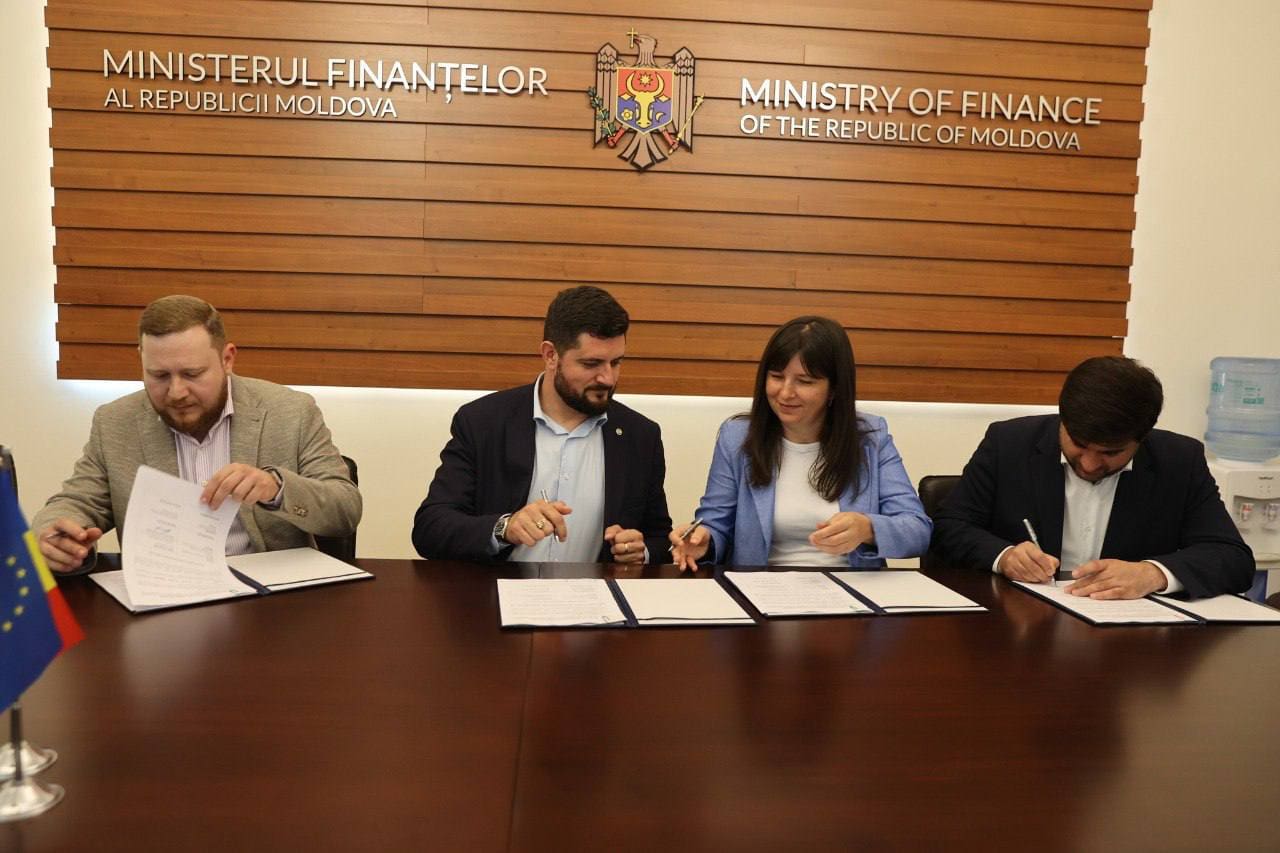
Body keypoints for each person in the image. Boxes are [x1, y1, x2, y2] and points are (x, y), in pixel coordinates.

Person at [33, 295, 361, 574]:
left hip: (269, 600)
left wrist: (276, 488)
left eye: (192, 374)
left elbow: (345, 509)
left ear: (227, 359)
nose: (176, 392)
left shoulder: (291, 411)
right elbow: (75, 502)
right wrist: (55, 535)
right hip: (163, 595)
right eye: (159, 375)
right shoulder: (115, 422)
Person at [933, 356, 1253, 599]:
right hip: (1019, 623)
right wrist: (1004, 557)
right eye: (1078, 444)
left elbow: (1232, 558)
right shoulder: (1009, 443)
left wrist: (1153, 574)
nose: (1088, 464)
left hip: (1130, 639)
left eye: (1109, 453)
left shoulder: (1179, 460)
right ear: (1063, 420)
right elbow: (949, 528)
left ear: (1141, 440)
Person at [412, 285, 671, 563]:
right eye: (591, 364)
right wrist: (505, 528)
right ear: (550, 355)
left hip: (595, 591)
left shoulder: (640, 436)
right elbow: (430, 528)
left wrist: (640, 551)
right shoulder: (483, 422)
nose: (607, 378)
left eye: (616, 362)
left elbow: (659, 539)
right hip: (493, 590)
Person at [670, 316, 931, 570]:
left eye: (804, 381)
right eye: (776, 377)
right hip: (762, 587)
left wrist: (868, 529)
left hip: (852, 587)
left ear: (835, 388)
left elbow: (918, 530)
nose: (785, 393)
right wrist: (704, 541)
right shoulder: (737, 437)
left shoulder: (871, 438)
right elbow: (715, 524)